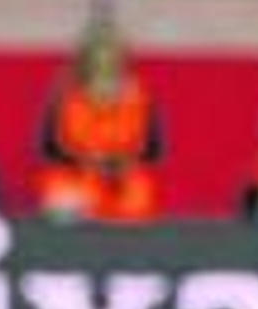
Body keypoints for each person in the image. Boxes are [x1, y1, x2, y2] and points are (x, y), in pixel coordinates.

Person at [34, 18, 164, 222]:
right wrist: (89, 160)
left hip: (124, 183)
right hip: (74, 180)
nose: (105, 65)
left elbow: (153, 151)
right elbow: (49, 149)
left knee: (137, 199)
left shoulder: (140, 97)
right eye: (97, 59)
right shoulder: (63, 94)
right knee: (63, 202)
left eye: (112, 58)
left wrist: (123, 163)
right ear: (84, 60)